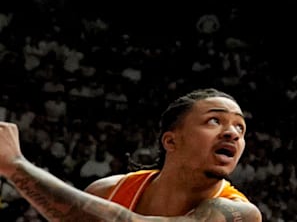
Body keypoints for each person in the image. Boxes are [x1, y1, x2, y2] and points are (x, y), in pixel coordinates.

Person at [0, 88, 259, 221]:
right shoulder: (107, 192)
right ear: (171, 140)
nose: (232, 133)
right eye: (214, 120)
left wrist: (16, 165)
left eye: (240, 127)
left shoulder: (239, 213)